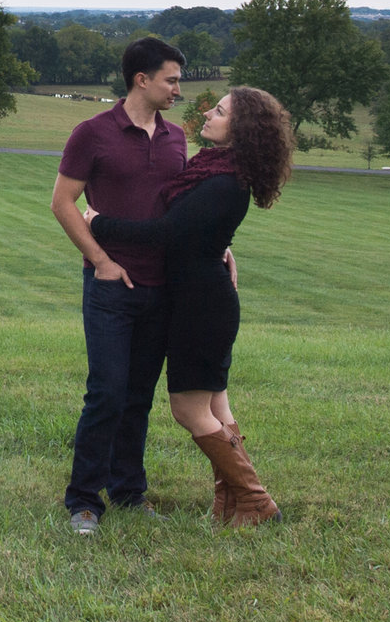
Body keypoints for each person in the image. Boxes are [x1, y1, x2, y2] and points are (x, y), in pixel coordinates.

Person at [85, 85, 292, 526]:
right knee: (218, 408)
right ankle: (229, 504)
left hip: (201, 306)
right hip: (206, 299)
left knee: (188, 409)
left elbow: (166, 233)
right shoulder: (218, 170)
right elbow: (197, 232)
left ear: (241, 129)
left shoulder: (222, 180)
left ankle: (256, 501)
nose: (208, 115)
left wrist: (100, 222)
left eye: (218, 111)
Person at [50, 36, 189, 535]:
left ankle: (129, 491)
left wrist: (219, 244)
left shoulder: (176, 139)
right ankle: (84, 500)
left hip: (161, 288)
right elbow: (63, 203)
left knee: (138, 397)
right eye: (172, 79)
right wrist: (101, 261)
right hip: (110, 288)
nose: (179, 89)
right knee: (106, 393)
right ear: (142, 79)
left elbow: (181, 210)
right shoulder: (92, 133)